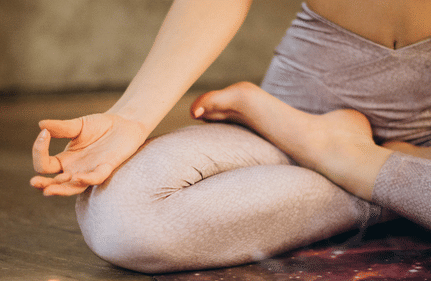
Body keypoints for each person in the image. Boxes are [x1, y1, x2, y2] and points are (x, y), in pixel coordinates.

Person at [30, 0, 431, 274]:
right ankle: (376, 171)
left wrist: (372, 167)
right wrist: (132, 117)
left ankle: (354, 160)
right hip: (300, 107)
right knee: (119, 217)